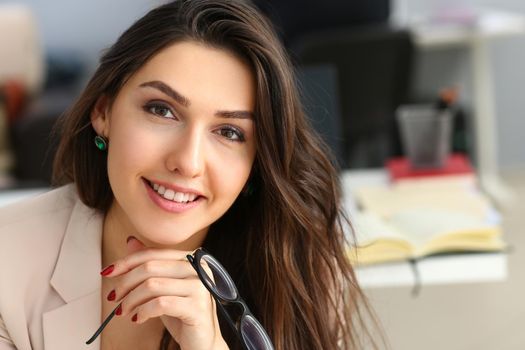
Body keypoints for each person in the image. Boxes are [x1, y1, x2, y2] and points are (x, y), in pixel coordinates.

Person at [0, 1, 379, 349]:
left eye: (230, 132)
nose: (188, 162)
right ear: (103, 113)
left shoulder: (301, 273)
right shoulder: (8, 260)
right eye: (161, 110)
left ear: (257, 162)